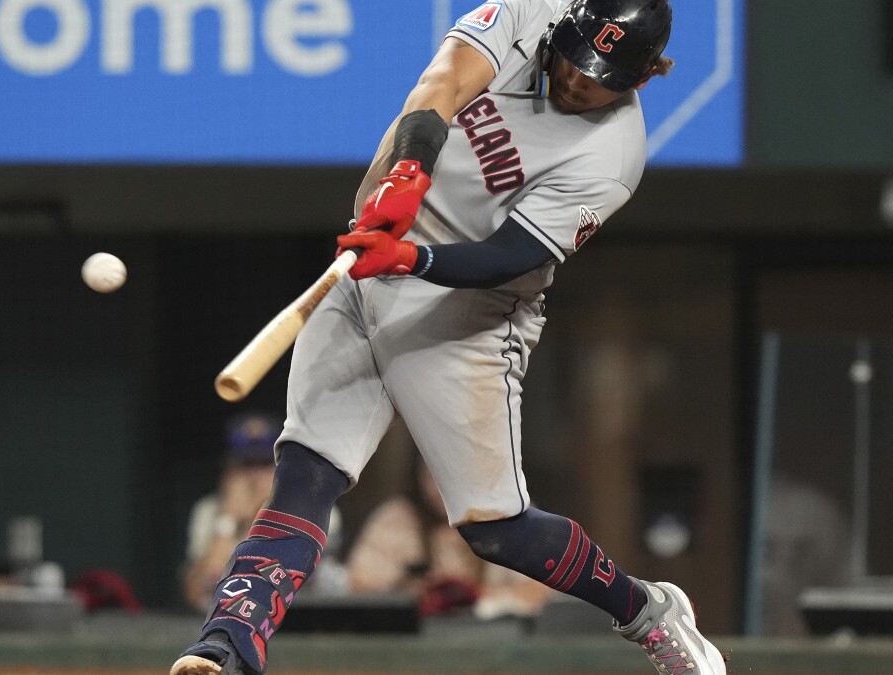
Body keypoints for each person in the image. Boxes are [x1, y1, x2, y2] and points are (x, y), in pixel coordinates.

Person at [170, 1, 727, 674]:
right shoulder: (530, 12)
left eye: (602, 74)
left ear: (641, 78)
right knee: (307, 470)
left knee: (494, 530)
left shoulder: (613, 154)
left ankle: (646, 610)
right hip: (368, 264)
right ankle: (229, 642)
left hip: (469, 316)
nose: (580, 80)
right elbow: (441, 86)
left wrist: (410, 258)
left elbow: (506, 256)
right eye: (577, 58)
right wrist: (406, 176)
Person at [346, 456, 553, 620]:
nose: (443, 487)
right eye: (433, 474)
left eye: (454, 474)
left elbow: (544, 592)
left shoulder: (513, 517)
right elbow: (359, 590)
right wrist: (419, 597)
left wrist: (469, 598)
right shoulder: (395, 521)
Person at [180, 412, 345, 611]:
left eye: (264, 464)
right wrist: (229, 519)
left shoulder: (316, 511)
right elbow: (202, 593)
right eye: (246, 465)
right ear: (229, 470)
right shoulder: (210, 511)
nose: (254, 477)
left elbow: (277, 586)